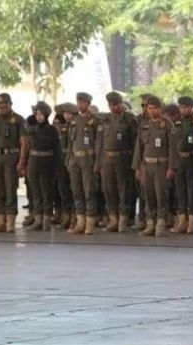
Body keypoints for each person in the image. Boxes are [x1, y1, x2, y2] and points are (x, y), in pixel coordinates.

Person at [133, 95, 177, 237]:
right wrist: (137, 167)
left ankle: (161, 224)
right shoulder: (144, 124)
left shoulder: (167, 125)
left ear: (160, 108)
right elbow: (139, 147)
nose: (151, 111)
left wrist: (171, 167)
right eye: (149, 108)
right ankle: (150, 224)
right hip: (147, 165)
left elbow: (172, 148)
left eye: (154, 108)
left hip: (161, 165)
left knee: (161, 196)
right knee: (148, 196)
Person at [96, 91, 137, 233]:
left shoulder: (129, 119)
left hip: (123, 159)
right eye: (111, 105)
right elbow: (99, 143)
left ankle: (123, 219)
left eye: (116, 105)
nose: (114, 108)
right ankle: (113, 219)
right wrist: (98, 163)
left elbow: (134, 142)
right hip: (107, 159)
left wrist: (134, 163)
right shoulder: (105, 119)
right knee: (108, 190)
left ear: (121, 104)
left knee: (123, 190)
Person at [0, 93, 27, 233]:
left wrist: (21, 161)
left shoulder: (19, 120)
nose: (2, 108)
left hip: (11, 157)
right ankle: (0, 220)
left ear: (10, 104)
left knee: (10, 189)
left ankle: (10, 222)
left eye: (5, 105)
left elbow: (24, 142)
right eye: (0, 105)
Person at [25, 101, 62, 231]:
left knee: (46, 192)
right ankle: (38, 219)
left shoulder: (52, 130)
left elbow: (57, 149)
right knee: (35, 192)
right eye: (37, 114)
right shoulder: (33, 128)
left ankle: (46, 219)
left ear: (46, 115)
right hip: (34, 161)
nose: (38, 116)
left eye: (41, 114)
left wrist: (58, 167)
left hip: (47, 162)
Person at [66, 92, 99, 235]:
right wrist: (68, 160)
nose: (80, 105)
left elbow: (99, 143)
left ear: (88, 104)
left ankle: (90, 223)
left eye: (83, 103)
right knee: (77, 191)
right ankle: (80, 222)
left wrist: (97, 162)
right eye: (78, 102)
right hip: (75, 159)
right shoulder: (74, 121)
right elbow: (70, 143)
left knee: (89, 192)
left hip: (88, 159)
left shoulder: (95, 121)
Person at [170, 96, 193, 235]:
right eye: (181, 107)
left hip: (192, 159)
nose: (183, 110)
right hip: (179, 160)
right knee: (180, 191)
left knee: (192, 191)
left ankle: (192, 222)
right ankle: (182, 221)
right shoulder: (176, 121)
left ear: (191, 107)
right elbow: (172, 143)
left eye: (186, 107)